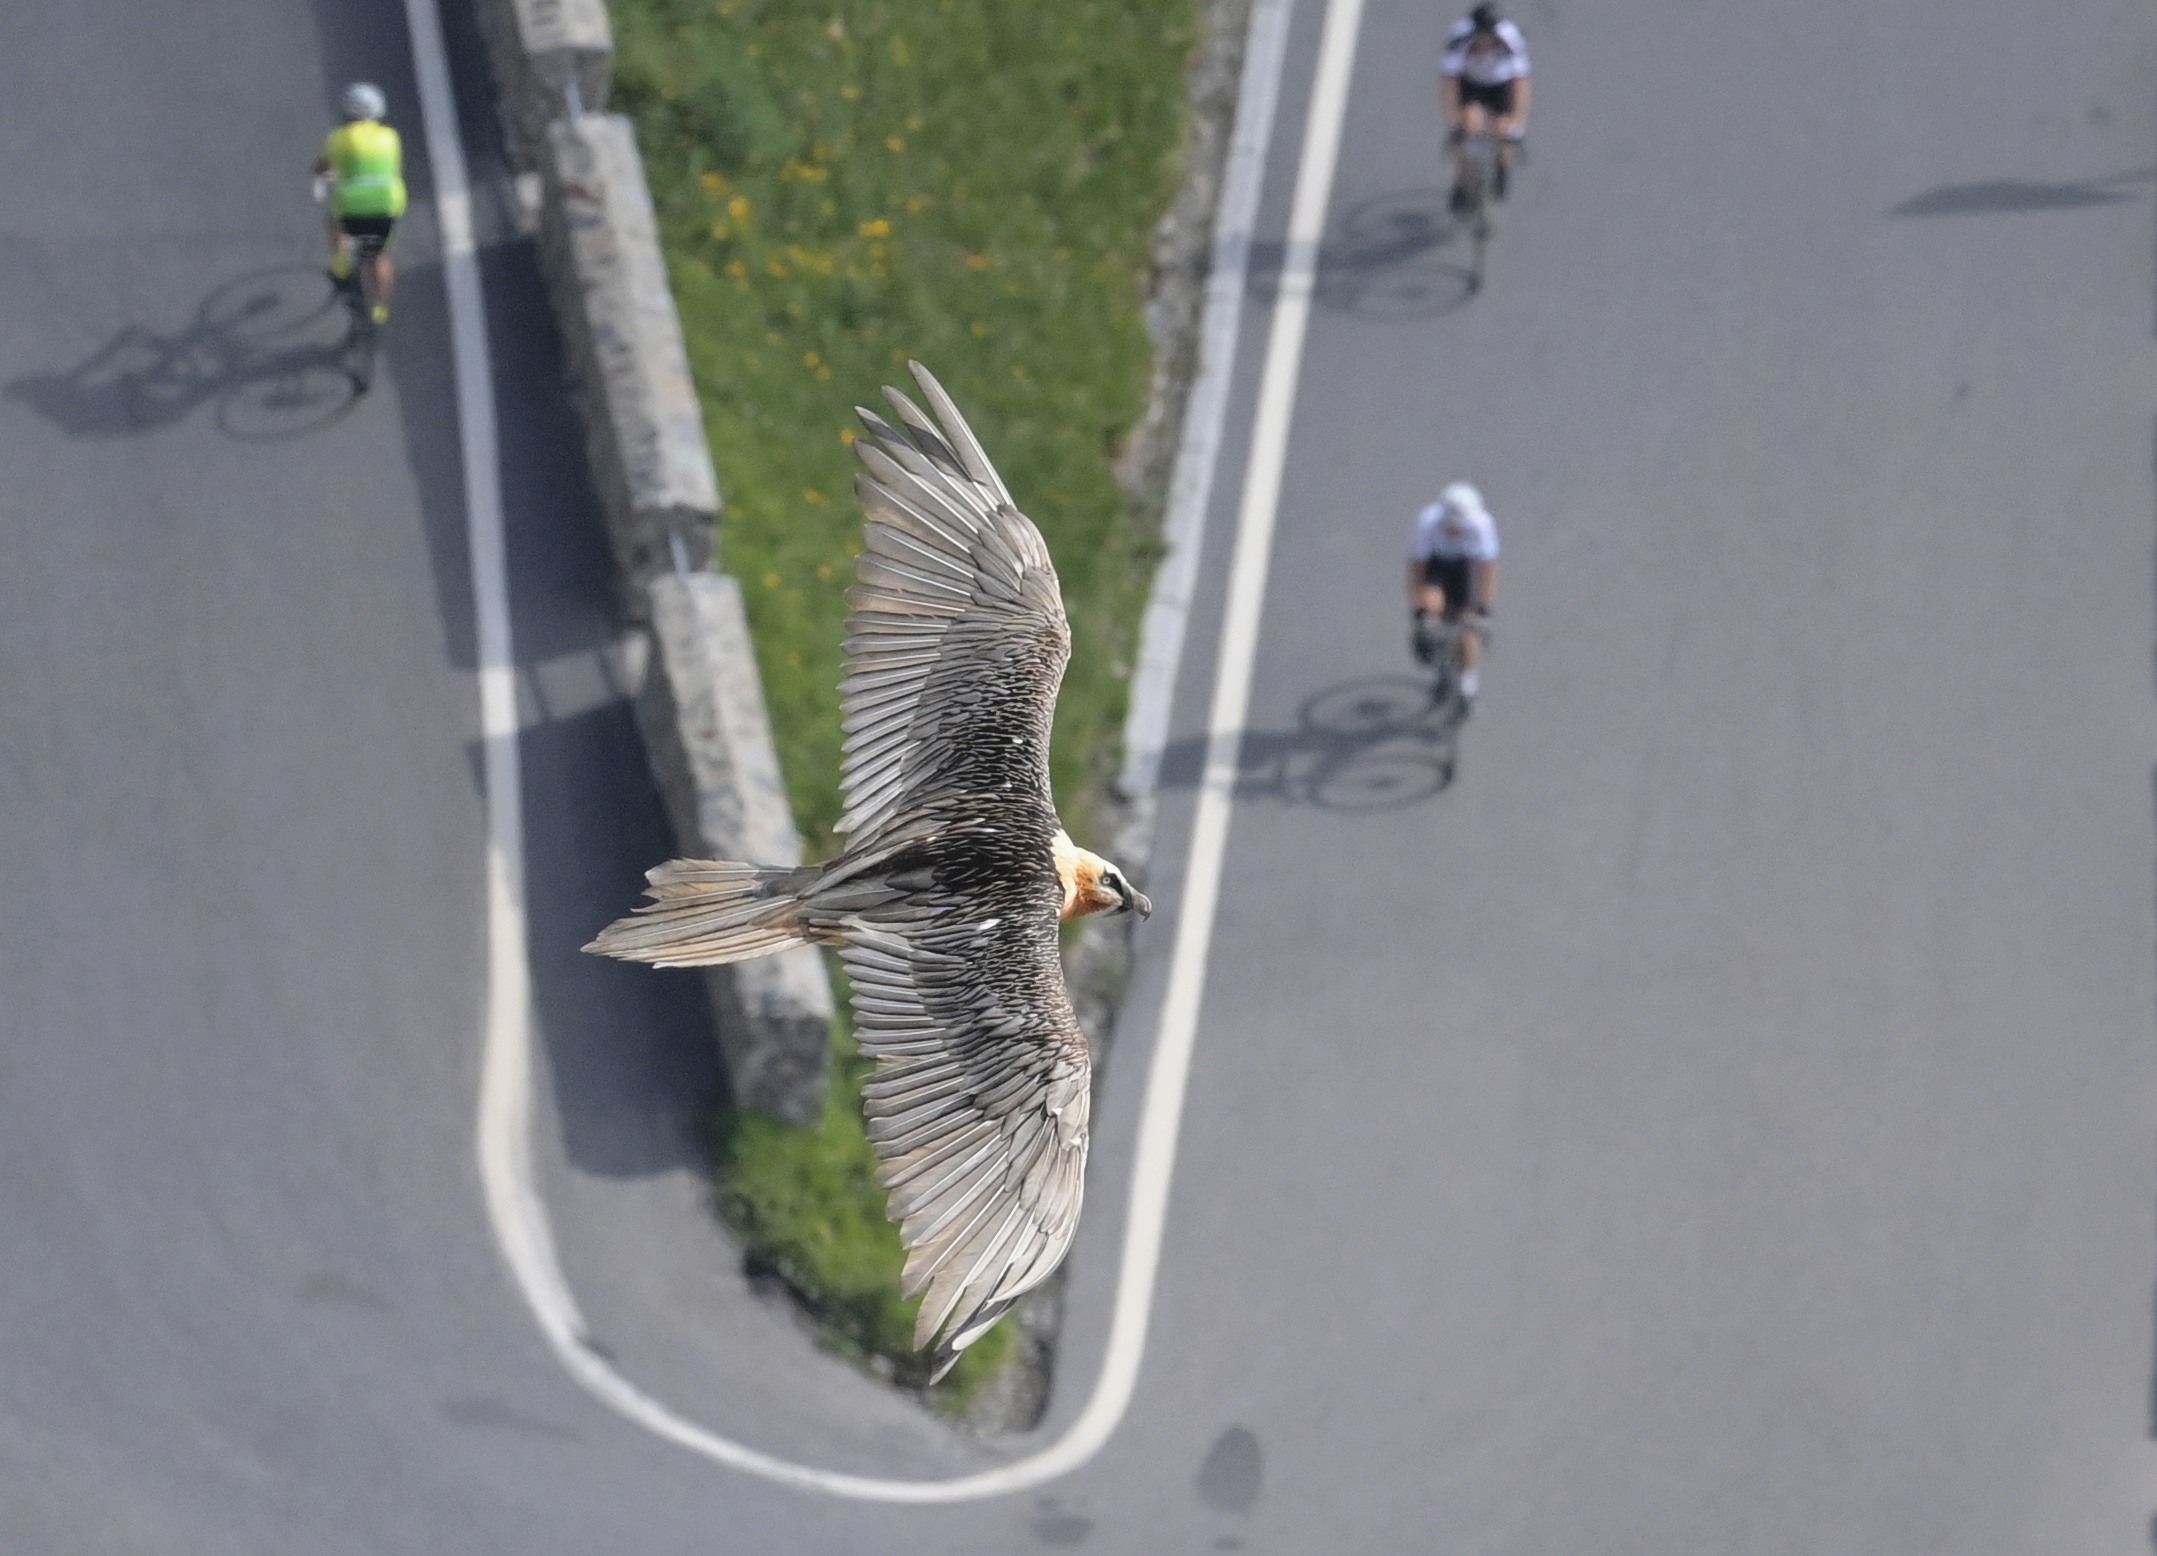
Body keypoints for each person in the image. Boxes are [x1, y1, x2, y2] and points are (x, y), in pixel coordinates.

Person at [313, 83, 407, 325]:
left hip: (351, 206)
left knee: (333, 220)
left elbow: (325, 168)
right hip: (386, 205)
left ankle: (341, 265)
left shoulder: (339, 139)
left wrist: (322, 177)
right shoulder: (391, 137)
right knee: (380, 257)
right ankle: (380, 310)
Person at [1408, 481, 1499, 708]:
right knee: (1431, 603)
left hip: (1464, 567)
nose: (1455, 531)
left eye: (1460, 527)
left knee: (1468, 625)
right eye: (1451, 526)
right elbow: (1417, 567)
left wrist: (1484, 610)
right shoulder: (1428, 522)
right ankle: (1438, 658)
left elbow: (1488, 569)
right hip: (1437, 565)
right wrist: (1418, 609)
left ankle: (1467, 680)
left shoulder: (1482, 524)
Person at [1441, 3, 1531, 215]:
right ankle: (1461, 181)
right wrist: (1454, 122)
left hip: (1501, 84)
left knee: (1503, 129)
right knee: (1469, 126)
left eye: (1489, 36)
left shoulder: (1511, 40)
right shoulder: (1458, 39)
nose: (1485, 41)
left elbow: (1521, 85)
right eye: (1481, 36)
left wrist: (1518, 125)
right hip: (1471, 84)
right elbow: (1449, 83)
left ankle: (1502, 169)